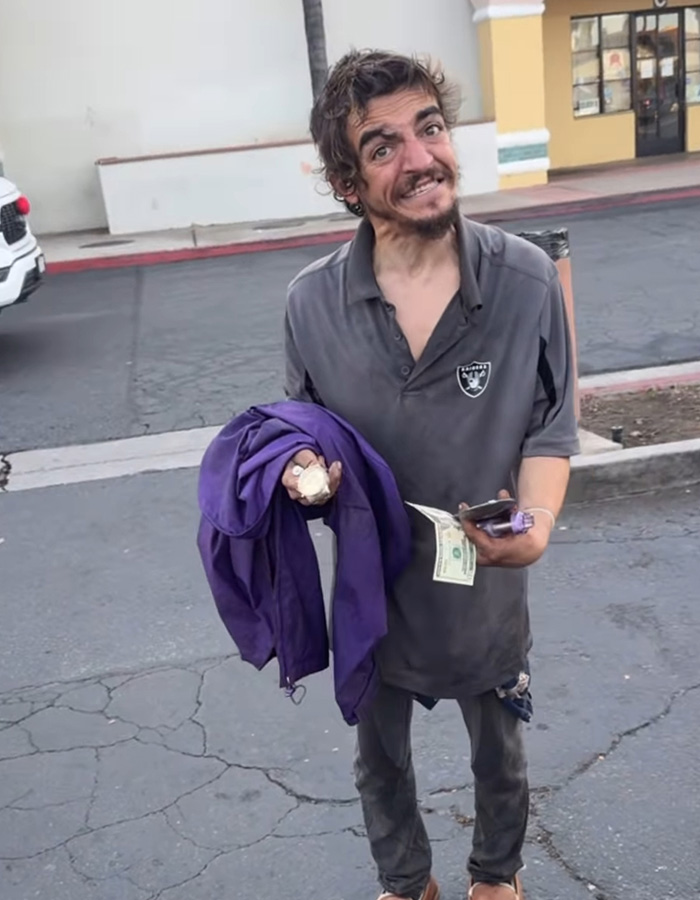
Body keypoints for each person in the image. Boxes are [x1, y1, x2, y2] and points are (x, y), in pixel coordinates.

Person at [281, 49, 579, 900]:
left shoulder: (523, 279)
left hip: (486, 588)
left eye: (431, 128)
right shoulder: (310, 304)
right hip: (374, 596)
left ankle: (495, 878)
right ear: (348, 181)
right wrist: (303, 471)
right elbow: (298, 434)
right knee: (379, 762)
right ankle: (407, 883)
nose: (420, 159)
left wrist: (539, 529)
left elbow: (551, 425)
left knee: (501, 757)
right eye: (383, 147)